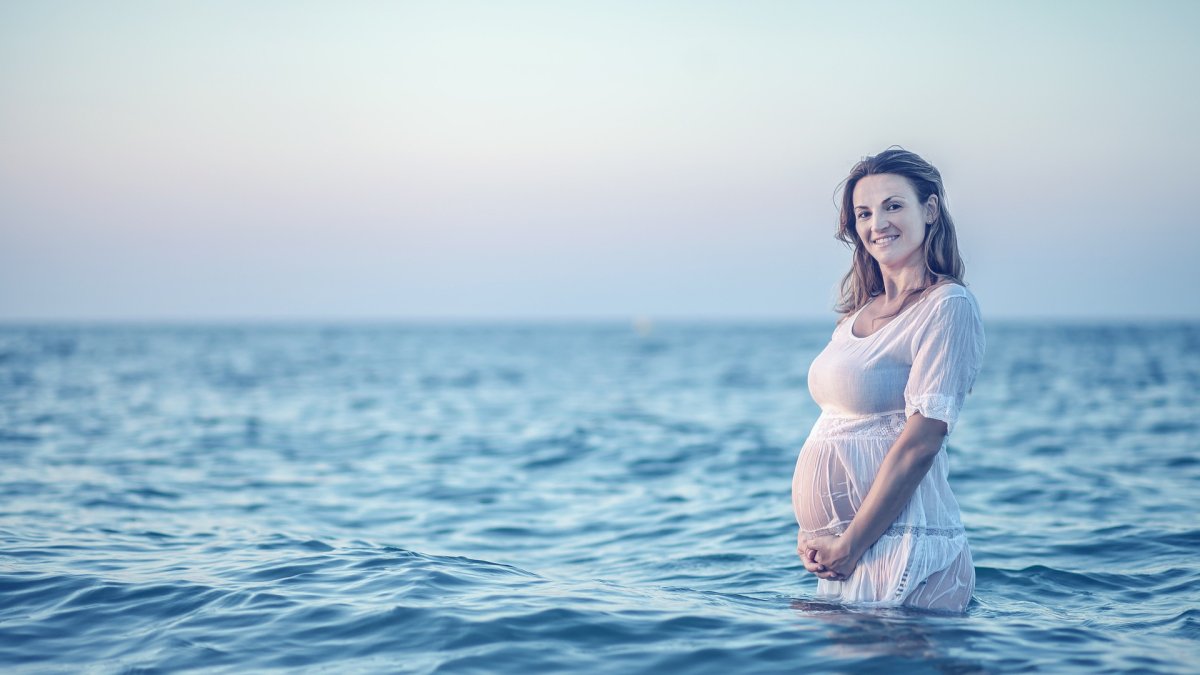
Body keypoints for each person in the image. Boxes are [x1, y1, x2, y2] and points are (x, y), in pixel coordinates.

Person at [792, 147, 985, 613]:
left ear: (931, 209)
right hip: (849, 555)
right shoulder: (855, 316)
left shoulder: (947, 305)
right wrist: (819, 535)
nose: (877, 223)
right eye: (864, 213)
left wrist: (851, 543)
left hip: (908, 553)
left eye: (893, 205)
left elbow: (922, 441)